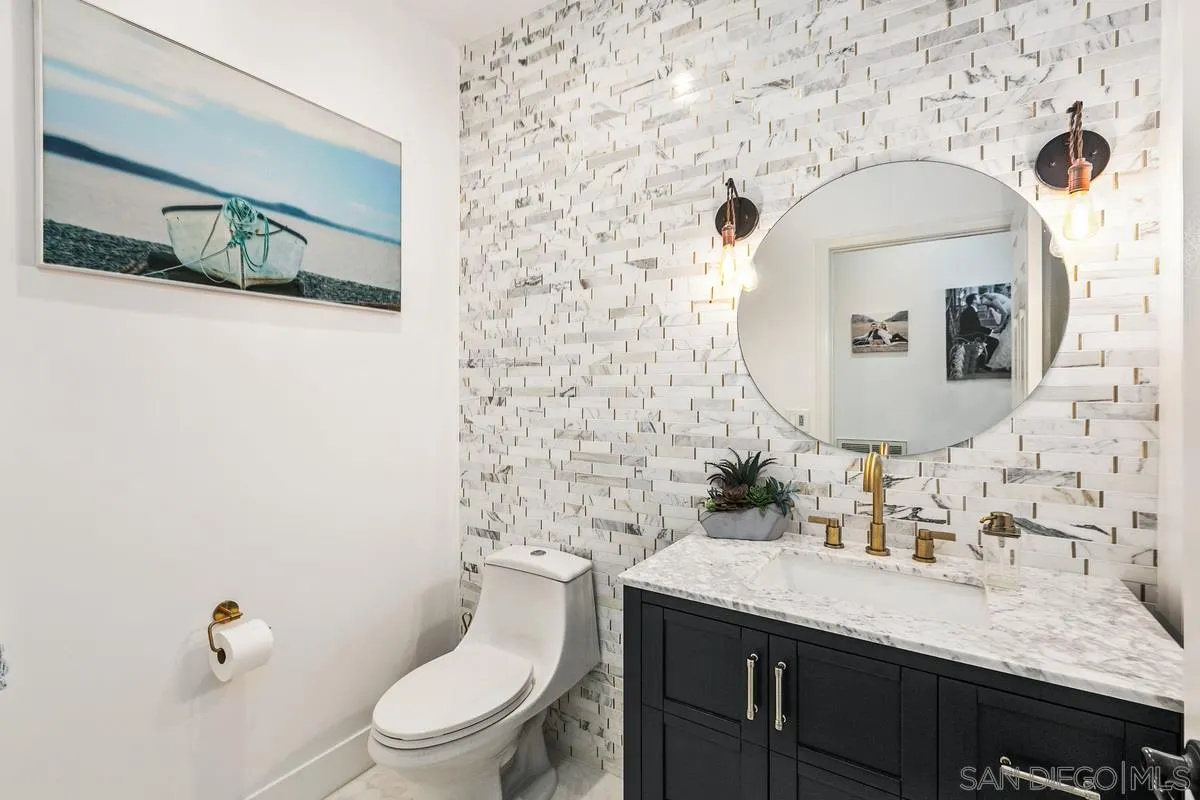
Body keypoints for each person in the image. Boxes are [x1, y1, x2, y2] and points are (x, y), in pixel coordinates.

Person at [956, 294, 999, 366]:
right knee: (994, 341)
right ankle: (981, 363)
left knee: (992, 340)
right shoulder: (970, 311)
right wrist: (990, 331)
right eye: (978, 298)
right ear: (974, 301)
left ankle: (980, 362)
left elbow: (975, 326)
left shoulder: (971, 310)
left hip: (971, 332)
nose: (980, 298)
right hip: (968, 334)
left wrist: (989, 330)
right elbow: (975, 327)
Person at [979, 292, 1013, 371]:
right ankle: (1007, 363)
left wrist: (1000, 326)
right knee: (1007, 339)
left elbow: (1004, 312)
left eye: (983, 301)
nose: (983, 304)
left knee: (1007, 339)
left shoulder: (995, 299)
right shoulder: (998, 298)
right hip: (1011, 318)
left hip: (1012, 320)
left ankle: (1005, 363)